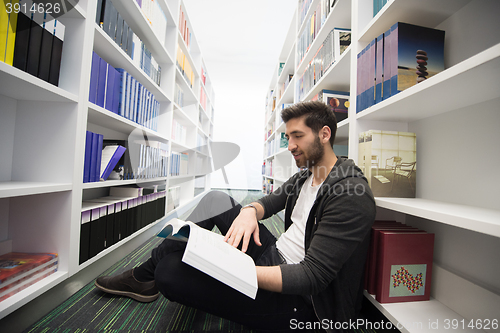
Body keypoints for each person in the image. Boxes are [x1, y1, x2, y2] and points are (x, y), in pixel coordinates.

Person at [95, 101, 376, 332]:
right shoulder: (308, 175)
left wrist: (232, 269)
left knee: (169, 271)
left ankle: (143, 277)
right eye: (288, 137)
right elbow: (269, 201)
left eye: (298, 136)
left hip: (302, 303)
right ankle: (144, 277)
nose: (290, 145)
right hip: (275, 255)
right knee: (216, 199)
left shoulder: (350, 193)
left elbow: (311, 277)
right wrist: (249, 211)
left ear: (324, 134)